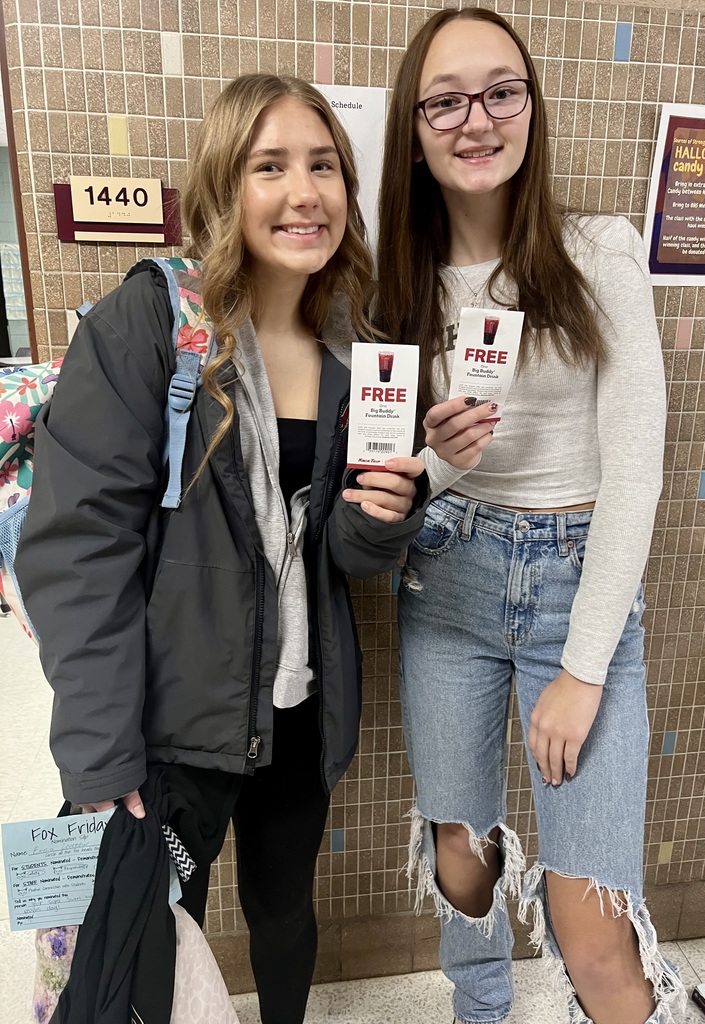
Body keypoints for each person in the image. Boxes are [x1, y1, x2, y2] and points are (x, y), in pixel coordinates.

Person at [16, 73, 428, 1024]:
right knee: (164, 929)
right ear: (223, 184)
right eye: (269, 165)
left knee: (285, 913)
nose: (304, 192)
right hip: (172, 722)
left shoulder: (354, 345)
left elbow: (349, 553)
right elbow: (78, 554)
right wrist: (99, 755)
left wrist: (391, 510)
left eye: (323, 166)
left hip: (297, 709)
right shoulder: (150, 326)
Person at [376, 9, 685, 1024]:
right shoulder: (394, 281)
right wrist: (434, 458)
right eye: (446, 100)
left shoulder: (602, 253)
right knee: (462, 864)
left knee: (593, 930)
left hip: (576, 588)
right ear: (414, 128)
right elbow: (389, 475)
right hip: (449, 580)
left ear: (531, 105)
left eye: (501, 90)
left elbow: (637, 466)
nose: (477, 119)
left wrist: (585, 665)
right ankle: (480, 1009)